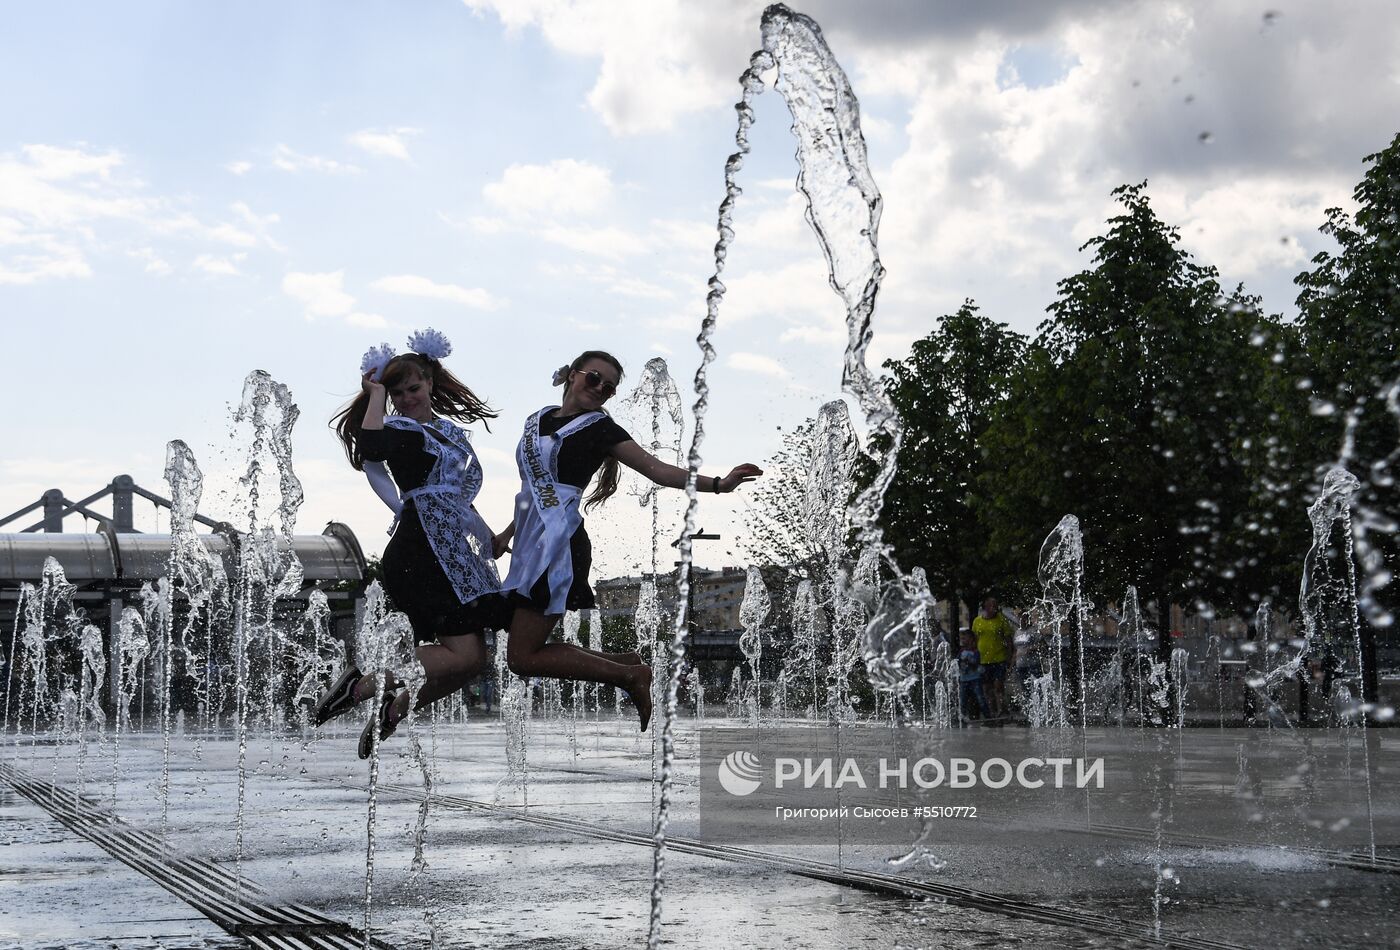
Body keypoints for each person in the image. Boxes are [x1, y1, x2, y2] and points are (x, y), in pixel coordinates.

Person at [493, 351, 763, 731]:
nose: (601, 389)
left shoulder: (601, 428)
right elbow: (535, 494)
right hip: (528, 546)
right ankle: (625, 663)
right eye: (594, 378)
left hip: (559, 547)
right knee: (525, 652)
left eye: (609, 388)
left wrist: (719, 485)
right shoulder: (536, 420)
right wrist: (508, 533)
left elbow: (658, 470)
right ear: (572, 375)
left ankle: (628, 675)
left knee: (522, 657)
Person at [314, 329, 512, 758]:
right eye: (397, 392)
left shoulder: (451, 434)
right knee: (462, 657)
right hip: (423, 552)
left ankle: (395, 705)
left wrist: (488, 537)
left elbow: (456, 500)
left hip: (451, 551)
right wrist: (374, 396)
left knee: (473, 660)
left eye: (413, 388)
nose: (406, 398)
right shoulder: (400, 429)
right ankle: (363, 685)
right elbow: (370, 447)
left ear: (430, 383)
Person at [971, 596, 1016, 720]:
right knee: (987, 688)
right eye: (992, 605)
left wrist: (1009, 657)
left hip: (999, 658)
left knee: (998, 685)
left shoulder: (1001, 620)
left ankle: (1001, 710)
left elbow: (1008, 641)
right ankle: (991, 711)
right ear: (985, 607)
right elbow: (975, 640)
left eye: (996, 605)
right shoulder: (977, 621)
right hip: (983, 660)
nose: (995, 608)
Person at [957, 630, 989, 724]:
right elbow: (957, 663)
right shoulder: (961, 651)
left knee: (980, 698)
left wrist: (969, 662)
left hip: (975, 679)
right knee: (962, 700)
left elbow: (976, 663)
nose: (963, 640)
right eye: (962, 638)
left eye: (965, 638)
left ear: (971, 639)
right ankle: (962, 718)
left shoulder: (975, 651)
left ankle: (988, 717)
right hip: (964, 679)